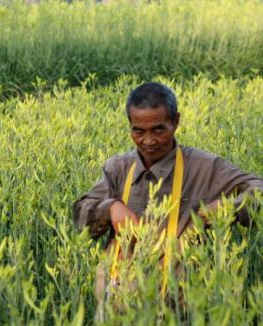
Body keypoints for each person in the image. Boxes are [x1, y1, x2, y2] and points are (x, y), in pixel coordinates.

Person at [72, 82, 262, 309]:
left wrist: (231, 208)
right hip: (120, 300)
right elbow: (81, 216)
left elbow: (258, 189)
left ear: (176, 121)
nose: (149, 141)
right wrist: (110, 208)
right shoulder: (118, 168)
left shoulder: (204, 167)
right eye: (138, 131)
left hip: (181, 303)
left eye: (159, 129)